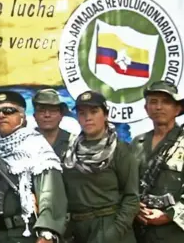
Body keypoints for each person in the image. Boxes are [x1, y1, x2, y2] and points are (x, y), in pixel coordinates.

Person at [0, 90, 67, 243]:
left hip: (26, 234)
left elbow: (51, 195)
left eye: (9, 111)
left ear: (22, 116)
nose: (1, 115)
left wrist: (47, 234)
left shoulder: (37, 148)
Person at [62, 91, 139, 243]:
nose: (88, 117)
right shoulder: (69, 152)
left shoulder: (119, 150)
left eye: (94, 111)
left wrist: (114, 232)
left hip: (110, 226)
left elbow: (132, 197)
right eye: (82, 113)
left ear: (105, 115)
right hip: (77, 230)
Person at [132, 81, 184, 243]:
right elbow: (126, 182)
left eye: (166, 102)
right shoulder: (137, 142)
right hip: (138, 231)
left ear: (178, 109)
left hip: (173, 233)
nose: (159, 107)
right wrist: (134, 207)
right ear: (146, 108)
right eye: (153, 102)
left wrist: (169, 215)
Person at [32, 88, 73, 157]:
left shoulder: (73, 142)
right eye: (42, 111)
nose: (47, 115)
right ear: (34, 116)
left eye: (53, 110)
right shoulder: (25, 141)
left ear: (61, 115)